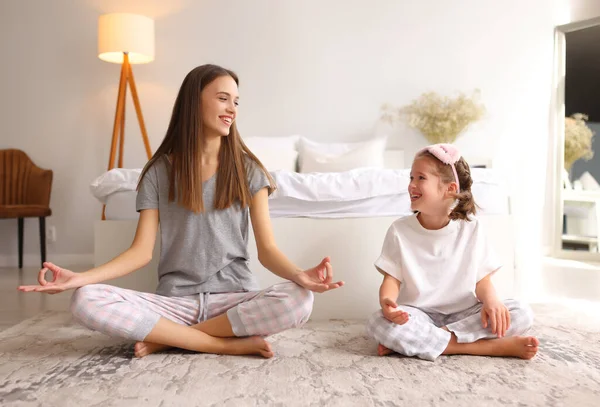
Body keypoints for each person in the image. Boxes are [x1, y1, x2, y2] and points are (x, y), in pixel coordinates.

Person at [18, 64, 343, 359]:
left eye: (236, 101)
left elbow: (268, 250)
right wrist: (80, 278)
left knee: (299, 299)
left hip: (233, 299)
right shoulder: (158, 172)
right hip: (174, 302)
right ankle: (217, 343)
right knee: (85, 299)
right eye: (223, 98)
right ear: (194, 101)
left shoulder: (249, 170)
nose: (232, 108)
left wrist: (300, 276)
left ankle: (169, 340)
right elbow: (140, 252)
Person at [366, 143, 537, 361]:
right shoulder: (399, 230)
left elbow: (482, 281)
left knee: (520, 312)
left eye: (421, 178)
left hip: (464, 313)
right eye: (411, 178)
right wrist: (387, 303)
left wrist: (492, 301)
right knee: (378, 322)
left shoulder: (471, 227)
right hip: (419, 314)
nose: (411, 185)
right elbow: (391, 279)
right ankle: (490, 347)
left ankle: (423, 342)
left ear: (449, 189)